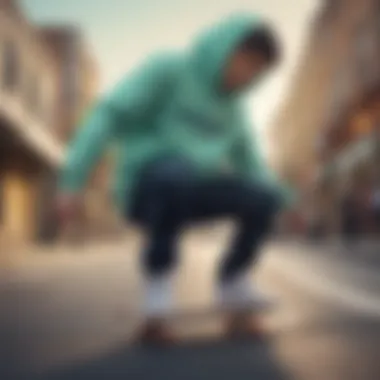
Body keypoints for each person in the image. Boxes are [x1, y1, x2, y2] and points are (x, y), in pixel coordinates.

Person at [57, 13, 296, 342]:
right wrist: (73, 181)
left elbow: (251, 163)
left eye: (257, 70)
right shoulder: (168, 69)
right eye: (244, 61)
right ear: (223, 48)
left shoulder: (235, 109)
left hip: (194, 191)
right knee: (175, 171)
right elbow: (109, 114)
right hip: (147, 187)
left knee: (262, 195)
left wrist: (283, 200)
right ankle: (159, 287)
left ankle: (233, 285)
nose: (246, 75)